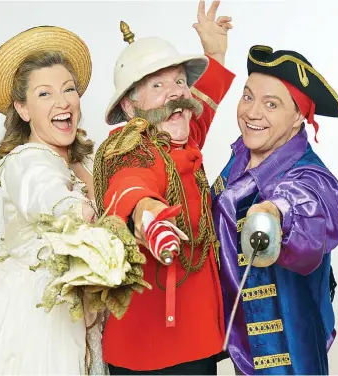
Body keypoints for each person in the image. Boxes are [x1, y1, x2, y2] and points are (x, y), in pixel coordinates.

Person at [0, 25, 143, 375]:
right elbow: (52, 200)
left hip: (83, 320)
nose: (63, 101)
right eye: (44, 94)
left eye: (69, 89)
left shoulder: (85, 160)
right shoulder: (26, 160)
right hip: (38, 322)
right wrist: (84, 214)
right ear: (22, 109)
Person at [93, 1, 235, 374]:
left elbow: (198, 110)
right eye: (157, 85)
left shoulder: (179, 138)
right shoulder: (130, 149)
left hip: (196, 335)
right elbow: (130, 185)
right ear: (130, 105)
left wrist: (215, 54)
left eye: (178, 82)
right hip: (154, 349)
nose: (175, 93)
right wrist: (149, 218)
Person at [211, 44, 338, 375]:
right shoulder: (242, 152)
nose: (252, 112)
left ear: (300, 115)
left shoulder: (309, 176)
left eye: (271, 104)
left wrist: (274, 212)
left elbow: (305, 205)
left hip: (288, 359)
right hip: (241, 346)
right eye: (247, 97)